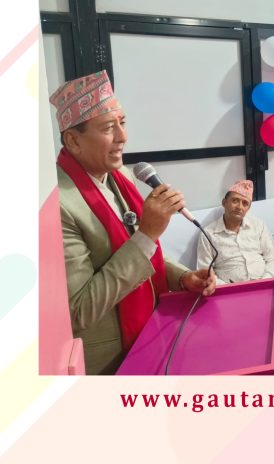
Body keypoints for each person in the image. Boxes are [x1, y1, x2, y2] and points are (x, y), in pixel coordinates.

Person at [51, 71, 216, 375]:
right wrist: (148, 233)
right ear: (73, 140)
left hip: (153, 332)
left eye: (122, 123)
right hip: (111, 363)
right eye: (108, 128)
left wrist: (182, 277)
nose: (123, 137)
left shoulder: (120, 175)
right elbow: (79, 310)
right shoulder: (58, 203)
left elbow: (143, 251)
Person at [197, 180, 274, 283]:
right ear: (224, 203)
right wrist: (229, 288)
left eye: (245, 203)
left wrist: (265, 281)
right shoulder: (208, 234)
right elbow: (205, 272)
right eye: (235, 201)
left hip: (264, 283)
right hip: (229, 289)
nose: (239, 207)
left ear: (248, 208)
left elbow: (273, 258)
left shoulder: (258, 225)